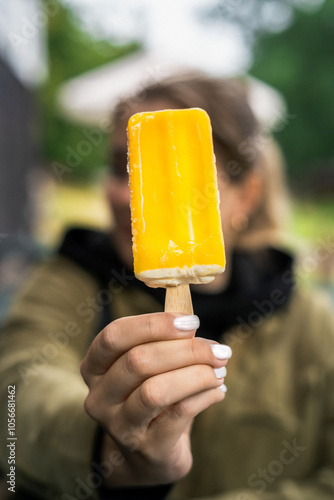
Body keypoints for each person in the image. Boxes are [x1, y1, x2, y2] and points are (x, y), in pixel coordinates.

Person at [0, 72, 334, 500]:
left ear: (247, 195)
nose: (124, 194)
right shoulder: (68, 279)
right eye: (121, 165)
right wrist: (107, 448)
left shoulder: (315, 327)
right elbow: (17, 393)